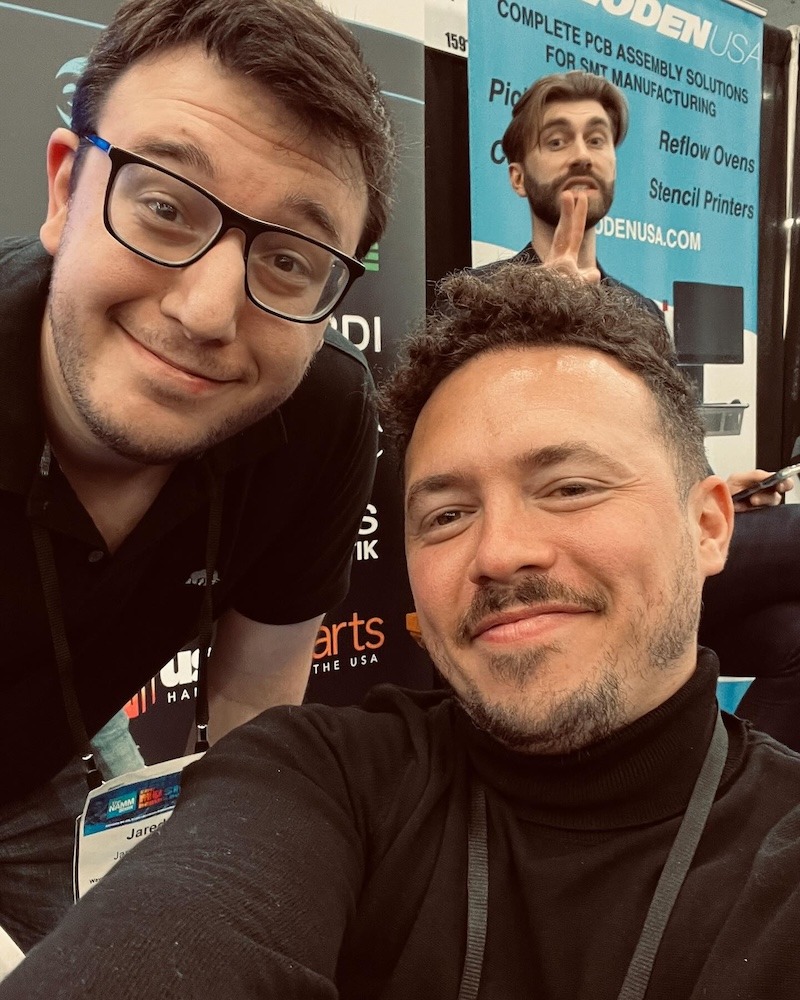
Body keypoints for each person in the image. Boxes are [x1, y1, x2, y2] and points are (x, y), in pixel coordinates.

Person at [3, 265, 800, 999]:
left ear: (708, 525)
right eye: (447, 515)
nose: (499, 553)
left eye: (569, 487)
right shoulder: (324, 777)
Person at [0, 0, 395, 950]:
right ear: (65, 190)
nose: (207, 313)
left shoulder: (323, 418)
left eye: (289, 260)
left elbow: (255, 706)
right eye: (166, 207)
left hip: (52, 760)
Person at [473, 69, 800, 749]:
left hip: (655, 547)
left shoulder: (641, 312)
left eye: (597, 139)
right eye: (557, 140)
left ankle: (714, 799)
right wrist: (551, 320)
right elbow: (487, 458)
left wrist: (716, 491)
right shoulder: (479, 301)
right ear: (518, 177)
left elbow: (657, 449)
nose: (582, 154)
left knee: (791, 637)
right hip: (566, 557)